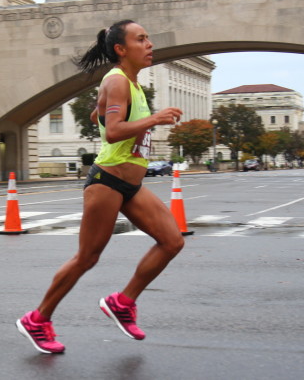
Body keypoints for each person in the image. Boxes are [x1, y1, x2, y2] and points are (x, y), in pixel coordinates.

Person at [16, 20, 185, 354]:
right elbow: (113, 131)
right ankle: (37, 319)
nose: (149, 44)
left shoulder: (130, 85)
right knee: (87, 258)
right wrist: (154, 118)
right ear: (121, 50)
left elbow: (103, 117)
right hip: (107, 182)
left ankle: (122, 302)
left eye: (148, 38)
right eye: (141, 39)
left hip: (130, 185)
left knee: (172, 241)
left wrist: (101, 110)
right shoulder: (118, 80)